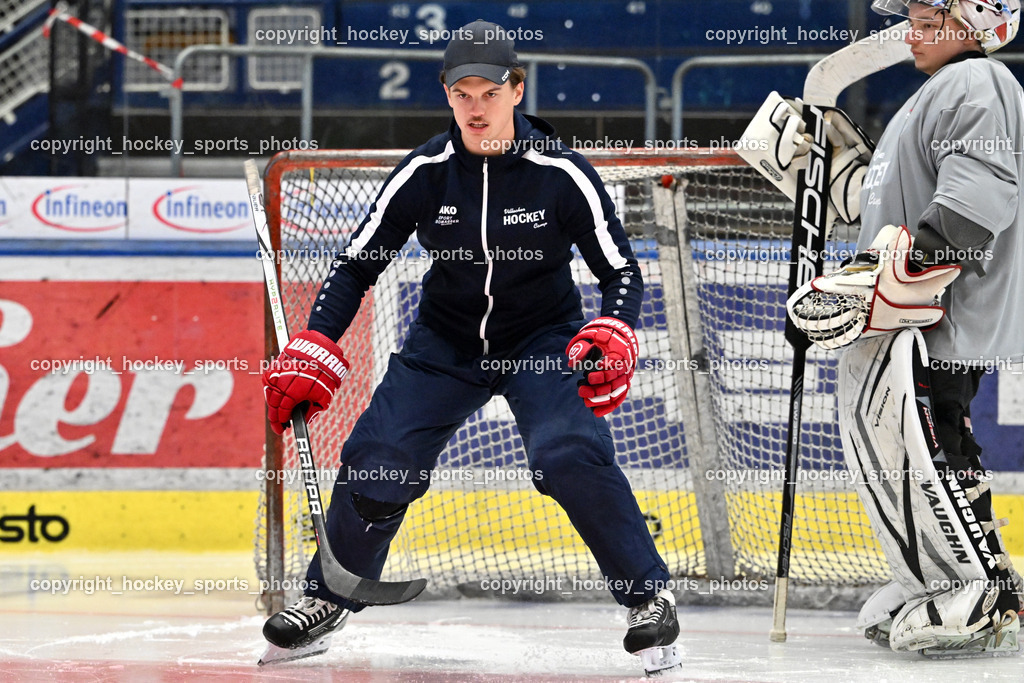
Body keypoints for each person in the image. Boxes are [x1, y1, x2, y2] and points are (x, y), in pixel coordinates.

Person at [257, 19, 681, 675]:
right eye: (463, 94)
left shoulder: (560, 173)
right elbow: (354, 266)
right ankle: (329, 594)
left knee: (567, 453)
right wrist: (315, 341)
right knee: (379, 457)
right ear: (447, 95)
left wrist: (617, 327)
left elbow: (620, 270)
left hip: (541, 340)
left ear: (517, 88)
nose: (476, 107)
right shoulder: (426, 171)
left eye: (489, 91)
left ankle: (648, 596)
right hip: (445, 341)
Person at [772, 0, 1023, 656]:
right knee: (937, 442)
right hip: (911, 314)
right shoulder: (932, 95)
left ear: (970, 19)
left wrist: (906, 265)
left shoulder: (978, 82)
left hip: (934, 309)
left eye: (923, 16)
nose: (908, 30)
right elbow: (881, 206)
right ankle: (970, 579)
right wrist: (824, 169)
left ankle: (974, 589)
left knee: (928, 443)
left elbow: (980, 196)